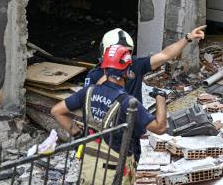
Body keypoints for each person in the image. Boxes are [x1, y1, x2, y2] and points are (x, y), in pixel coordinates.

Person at [51, 44, 168, 185]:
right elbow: (160, 128)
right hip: (114, 173)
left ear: (104, 69)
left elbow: (56, 111)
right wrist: (161, 99)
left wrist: (78, 134)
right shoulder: (128, 102)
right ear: (126, 72)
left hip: (89, 166)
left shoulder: (88, 91)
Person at [84, 26, 206, 103]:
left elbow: (166, 55)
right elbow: (87, 102)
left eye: (125, 52)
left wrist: (188, 38)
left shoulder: (135, 65)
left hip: (130, 123)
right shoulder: (95, 75)